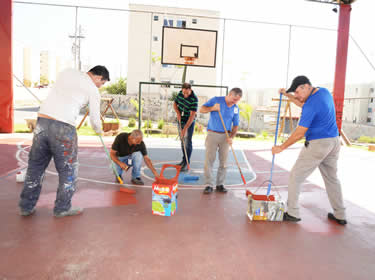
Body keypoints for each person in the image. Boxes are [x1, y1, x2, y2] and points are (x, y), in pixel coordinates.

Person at [19, 65, 110, 218]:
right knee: (68, 169)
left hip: (42, 122)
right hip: (64, 126)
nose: (99, 87)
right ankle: (62, 208)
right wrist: (99, 130)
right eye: (101, 83)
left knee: (35, 166)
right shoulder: (92, 89)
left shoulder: (67, 72)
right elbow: (95, 118)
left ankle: (26, 206)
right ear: (98, 77)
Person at [272, 75, 347, 225]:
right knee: (332, 179)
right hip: (333, 141)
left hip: (318, 144)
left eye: (297, 93)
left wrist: (281, 147)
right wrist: (287, 95)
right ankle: (340, 215)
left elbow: (300, 132)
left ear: (305, 86)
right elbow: (302, 103)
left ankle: (292, 212)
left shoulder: (311, 105)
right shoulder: (324, 92)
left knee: (296, 176)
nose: (297, 96)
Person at [200, 88, 242, 194]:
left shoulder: (235, 108)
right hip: (212, 134)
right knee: (209, 160)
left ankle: (220, 184)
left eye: (237, 100)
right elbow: (202, 109)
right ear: (229, 94)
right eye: (234, 99)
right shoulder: (216, 100)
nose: (235, 102)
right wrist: (212, 108)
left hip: (226, 136)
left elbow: (236, 125)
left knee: (223, 162)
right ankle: (209, 184)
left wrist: (231, 137)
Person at [173, 82, 198, 171]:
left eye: (186, 93)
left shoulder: (194, 99)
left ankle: (187, 162)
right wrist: (178, 112)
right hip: (181, 120)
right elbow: (175, 104)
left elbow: (192, 116)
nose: (185, 95)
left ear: (190, 90)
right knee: (182, 141)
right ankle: (183, 160)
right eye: (183, 93)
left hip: (189, 123)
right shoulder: (180, 93)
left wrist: (185, 129)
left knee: (187, 142)